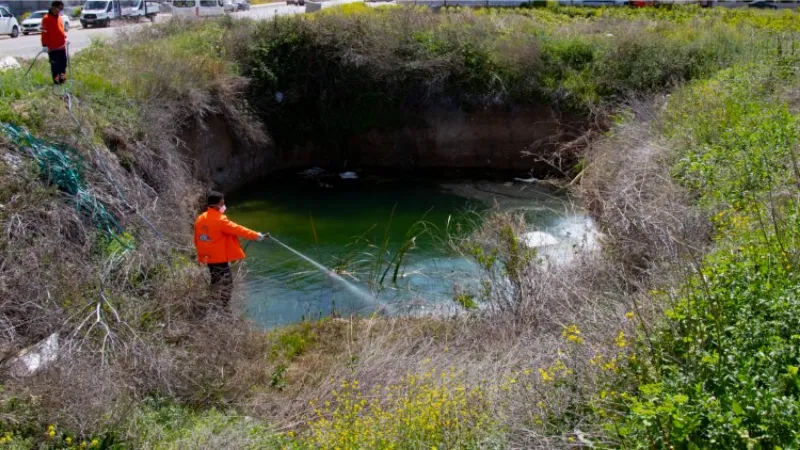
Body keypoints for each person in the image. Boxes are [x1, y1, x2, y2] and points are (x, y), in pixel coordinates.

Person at [194, 191, 267, 312]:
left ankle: (212, 304)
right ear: (218, 204)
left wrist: (201, 254)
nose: (223, 205)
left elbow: (197, 238)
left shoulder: (200, 219)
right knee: (227, 283)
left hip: (208, 257)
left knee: (215, 280)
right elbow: (238, 230)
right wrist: (256, 235)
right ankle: (224, 309)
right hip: (219, 258)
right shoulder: (220, 220)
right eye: (222, 203)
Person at [41, 1, 68, 85]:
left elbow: (61, 30)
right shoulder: (46, 18)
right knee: (55, 67)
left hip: (62, 47)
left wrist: (65, 38)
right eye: (60, 8)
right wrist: (45, 45)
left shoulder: (59, 17)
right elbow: (44, 33)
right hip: (52, 48)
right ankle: (56, 83)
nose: (60, 10)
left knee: (63, 65)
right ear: (53, 7)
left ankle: (62, 82)